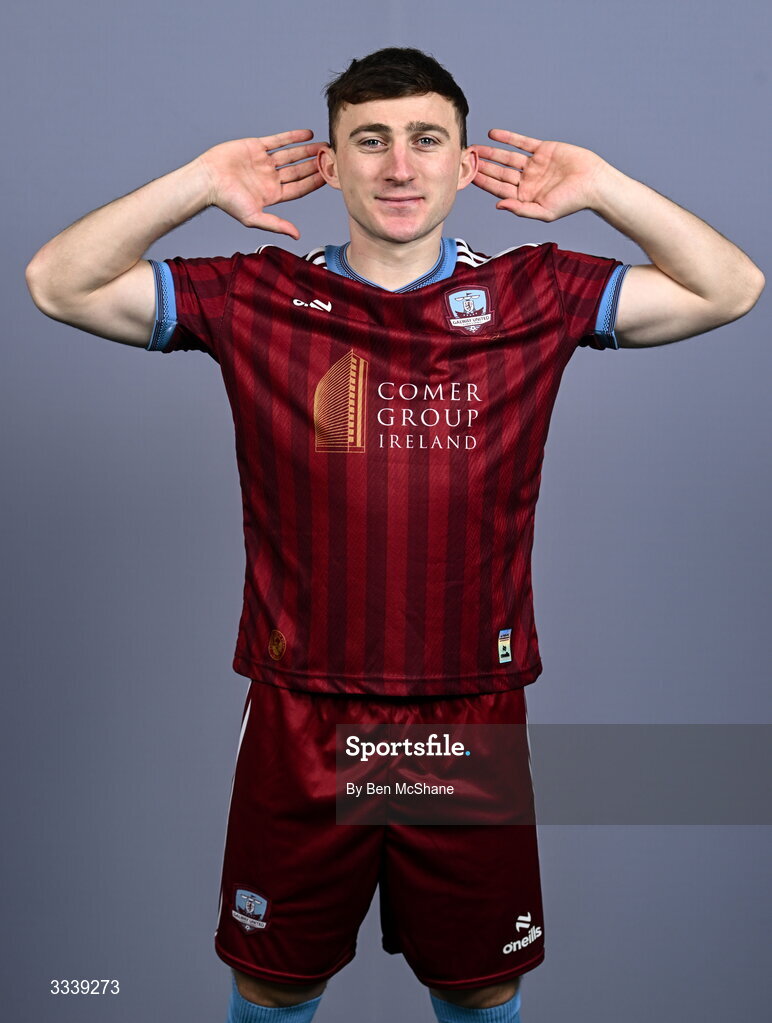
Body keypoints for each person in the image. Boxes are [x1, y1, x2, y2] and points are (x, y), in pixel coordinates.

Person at [25, 46, 763, 1023]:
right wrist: (199, 182)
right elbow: (58, 283)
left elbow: (729, 288)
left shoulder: (533, 294)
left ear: (464, 162)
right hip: (305, 705)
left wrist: (601, 187)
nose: (400, 166)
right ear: (332, 164)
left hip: (464, 705)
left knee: (480, 982)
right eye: (370, 141)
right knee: (274, 978)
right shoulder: (257, 296)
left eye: (426, 140)